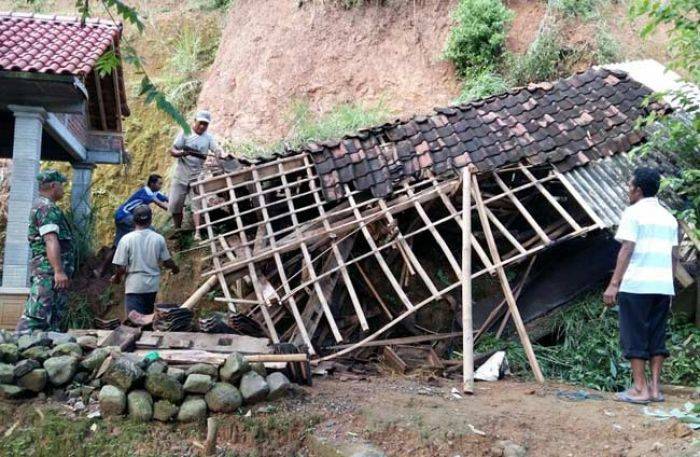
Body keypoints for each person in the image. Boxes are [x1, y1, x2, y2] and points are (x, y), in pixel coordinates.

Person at [603, 167, 678, 404]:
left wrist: (614, 284)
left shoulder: (633, 213)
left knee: (635, 335)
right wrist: (670, 282)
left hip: (637, 285)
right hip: (663, 285)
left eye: (630, 186)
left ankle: (639, 389)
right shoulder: (669, 217)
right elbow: (674, 255)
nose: (628, 190)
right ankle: (655, 389)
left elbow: (627, 248)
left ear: (638, 190)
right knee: (657, 336)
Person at [16, 170, 74, 332]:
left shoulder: (44, 206)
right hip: (48, 274)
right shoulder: (46, 208)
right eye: (62, 185)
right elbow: (50, 239)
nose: (63, 189)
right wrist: (58, 271)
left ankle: (40, 353)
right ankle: (12, 351)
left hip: (50, 274)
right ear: (54, 186)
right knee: (36, 317)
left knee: (52, 318)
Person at [111, 205, 179, 316]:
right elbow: (167, 262)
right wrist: (175, 268)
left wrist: (117, 278)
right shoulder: (158, 238)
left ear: (133, 219)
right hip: (152, 287)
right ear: (151, 219)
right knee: (148, 320)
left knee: (134, 322)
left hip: (134, 287)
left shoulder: (126, 240)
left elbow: (121, 268)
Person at [169, 110, 224, 240]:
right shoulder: (185, 133)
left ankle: (198, 232)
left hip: (197, 175)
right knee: (175, 203)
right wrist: (182, 153)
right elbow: (173, 150)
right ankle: (178, 229)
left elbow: (216, 150)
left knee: (197, 205)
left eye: (205, 124)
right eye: (201, 123)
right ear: (195, 121)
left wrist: (220, 155)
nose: (202, 126)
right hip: (181, 175)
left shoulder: (209, 138)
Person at [113, 174, 169, 247]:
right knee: (150, 230)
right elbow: (160, 204)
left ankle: (112, 255)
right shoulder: (146, 192)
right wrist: (174, 211)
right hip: (125, 216)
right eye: (159, 184)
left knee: (118, 245)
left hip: (120, 216)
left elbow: (167, 199)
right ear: (152, 184)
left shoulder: (154, 192)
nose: (161, 186)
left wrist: (181, 204)